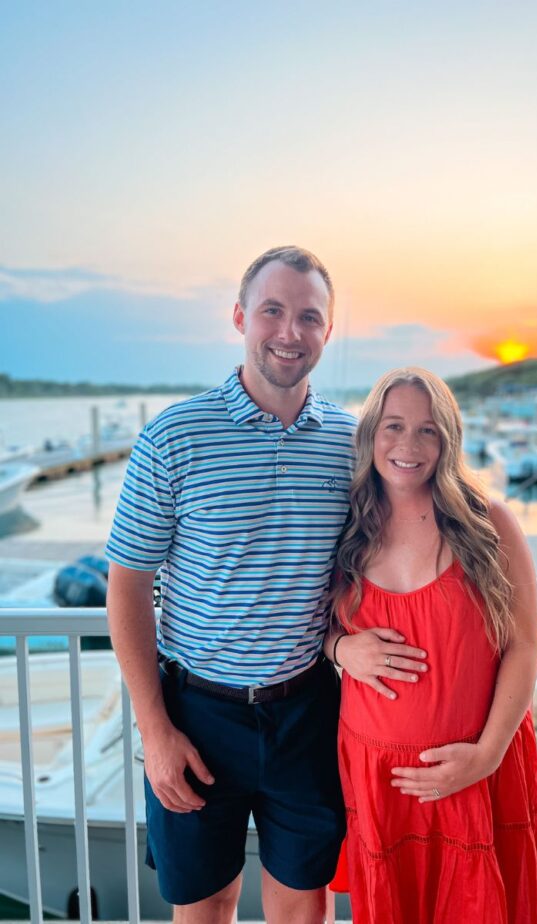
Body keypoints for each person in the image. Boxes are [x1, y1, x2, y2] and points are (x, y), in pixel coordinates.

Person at [105, 247, 421, 924]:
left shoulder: (349, 442)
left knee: (304, 904)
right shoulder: (173, 437)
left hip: (308, 711)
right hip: (196, 712)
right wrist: (155, 731)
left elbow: (403, 536)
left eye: (308, 317)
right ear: (240, 316)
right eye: (272, 311)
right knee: (204, 903)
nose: (289, 331)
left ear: (327, 332)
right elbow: (127, 587)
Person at [324, 368, 537, 924]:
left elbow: (525, 647)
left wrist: (483, 758)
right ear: (371, 435)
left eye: (427, 430)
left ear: (448, 439)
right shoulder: (345, 526)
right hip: (378, 779)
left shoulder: (489, 525)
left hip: (475, 774)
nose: (408, 445)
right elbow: (302, 625)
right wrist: (341, 650)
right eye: (393, 426)